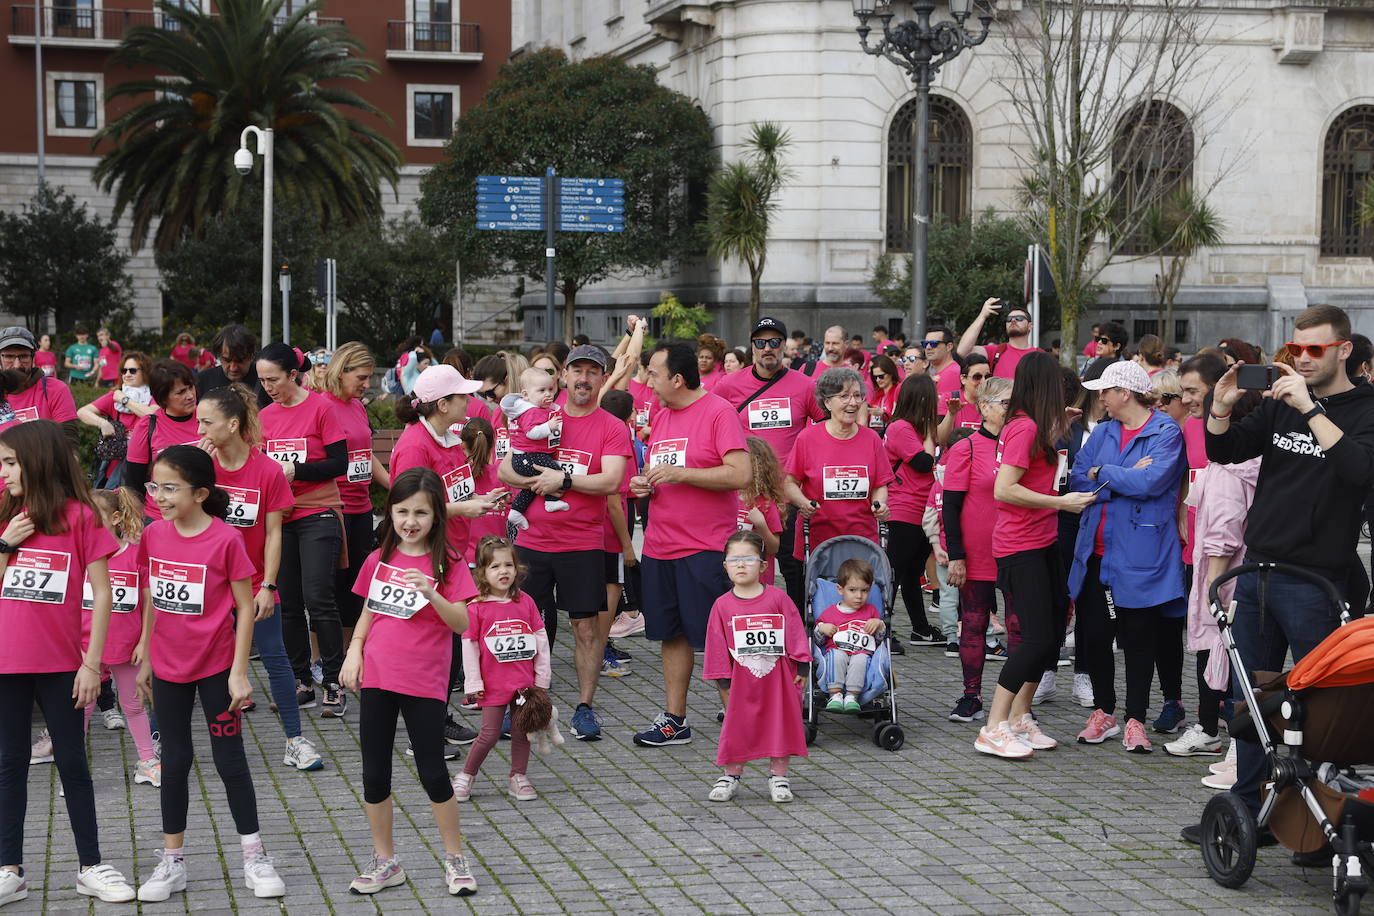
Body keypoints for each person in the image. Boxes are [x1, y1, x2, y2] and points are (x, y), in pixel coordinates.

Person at [1183, 304, 1374, 845]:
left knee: (1322, 705)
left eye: (1316, 349)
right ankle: (1247, 815)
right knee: (1251, 699)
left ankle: (1320, 822)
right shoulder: (1280, 402)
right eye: (1296, 349)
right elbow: (1225, 449)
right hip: (1258, 571)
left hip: (1316, 581)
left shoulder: (1361, 408)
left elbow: (1360, 470)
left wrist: (1311, 408)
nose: (1303, 359)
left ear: (1343, 351)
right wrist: (1217, 411)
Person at [133, 445, 286, 902]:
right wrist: (144, 651)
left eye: (169, 487)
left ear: (200, 493)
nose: (158, 496)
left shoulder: (225, 539)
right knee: (174, 762)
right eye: (154, 486)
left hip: (217, 668)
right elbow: (151, 595)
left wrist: (240, 672)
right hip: (168, 668)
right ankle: (172, 861)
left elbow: (244, 608)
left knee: (230, 761)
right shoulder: (154, 535)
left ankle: (254, 856)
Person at [0, 421, 137, 906]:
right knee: (9, 763)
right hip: (6, 662)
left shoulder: (81, 517)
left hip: (64, 664)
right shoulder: (5, 516)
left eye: (11, 463)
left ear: (37, 463)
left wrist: (92, 664)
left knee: (74, 764)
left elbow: (103, 593)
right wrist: (5, 544)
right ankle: (9, 870)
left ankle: (90, 866)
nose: (4, 472)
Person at [340, 468, 478, 897]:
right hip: (378, 675)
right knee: (374, 774)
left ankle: (455, 859)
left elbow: (462, 622)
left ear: (437, 514)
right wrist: (354, 650)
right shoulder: (377, 558)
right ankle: (385, 861)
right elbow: (367, 612)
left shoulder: (449, 563)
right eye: (402, 511)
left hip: (424, 680)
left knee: (433, 772)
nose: (410, 521)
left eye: (420, 512)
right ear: (390, 512)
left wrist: (433, 591)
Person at [498, 346, 632, 741]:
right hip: (531, 540)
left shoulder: (611, 426)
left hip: (583, 543)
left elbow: (611, 482)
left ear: (602, 378)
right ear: (562, 377)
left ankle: (585, 708)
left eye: (593, 372)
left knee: (586, 629)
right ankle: (519, 705)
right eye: (577, 371)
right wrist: (535, 482)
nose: (584, 379)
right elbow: (505, 467)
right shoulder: (535, 410)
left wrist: (565, 481)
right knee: (519, 624)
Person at [196, 385, 324, 772]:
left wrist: (269, 585)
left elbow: (273, 534)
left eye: (207, 421)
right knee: (194, 661)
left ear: (232, 424)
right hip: (208, 585)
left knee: (276, 660)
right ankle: (160, 737)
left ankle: (294, 740)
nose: (199, 429)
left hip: (252, 585)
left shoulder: (267, 471)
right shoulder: (201, 465)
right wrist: (193, 469)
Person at [629, 341, 750, 747]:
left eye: (654, 374)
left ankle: (740, 720)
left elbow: (740, 474)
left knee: (718, 638)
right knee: (671, 635)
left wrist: (682, 474)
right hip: (660, 545)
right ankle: (675, 719)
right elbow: (661, 471)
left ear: (677, 379)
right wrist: (644, 484)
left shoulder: (719, 412)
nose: (648, 381)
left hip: (705, 548)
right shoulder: (662, 416)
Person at [975, 352, 1094, 759]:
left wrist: (1064, 422)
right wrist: (1062, 503)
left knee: (1051, 635)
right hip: (1019, 546)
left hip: (1041, 543)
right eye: (1058, 385)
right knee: (1035, 639)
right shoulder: (1024, 428)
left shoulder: (1036, 427)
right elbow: (1004, 489)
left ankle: (1021, 717)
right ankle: (994, 725)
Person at [1068, 360, 1186, 754]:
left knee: (1139, 640)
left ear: (1124, 393)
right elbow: (1080, 476)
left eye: (1105, 390)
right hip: (1096, 552)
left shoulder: (1164, 430)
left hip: (1142, 554)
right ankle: (1104, 712)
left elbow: (1152, 482)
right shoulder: (1102, 430)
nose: (1099, 397)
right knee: (1096, 637)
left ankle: (1136, 718)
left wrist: (1107, 473)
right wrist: (1120, 474)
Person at [1165, 388, 1261, 763]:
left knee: (1229, 657)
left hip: (1224, 579)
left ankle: (1240, 751)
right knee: (1243, 659)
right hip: (1248, 573)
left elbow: (1222, 533)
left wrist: (1210, 589)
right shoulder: (1262, 462)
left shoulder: (1226, 471)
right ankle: (1232, 741)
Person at [712, 317, 827, 623]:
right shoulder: (728, 386)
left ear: (784, 347)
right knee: (739, 560)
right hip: (744, 491)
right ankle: (734, 621)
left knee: (791, 565)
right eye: (760, 343)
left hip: (787, 491)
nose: (767, 349)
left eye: (774, 342)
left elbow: (825, 429)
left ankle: (795, 625)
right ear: (752, 348)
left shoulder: (805, 386)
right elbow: (710, 425)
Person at [256, 344, 348, 718]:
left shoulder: (322, 407)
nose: (268, 387)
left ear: (293, 374)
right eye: (262, 380)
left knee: (318, 598)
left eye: (273, 379)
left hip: (318, 510)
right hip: (281, 517)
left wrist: (297, 469)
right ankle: (300, 681)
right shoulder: (263, 415)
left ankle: (333, 682)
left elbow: (339, 462)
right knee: (288, 602)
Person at [701, 530, 809, 803]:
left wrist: (803, 667)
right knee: (737, 727)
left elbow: (795, 631)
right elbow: (715, 643)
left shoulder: (777, 599)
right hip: (741, 680)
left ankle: (779, 776)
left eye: (748, 559)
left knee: (779, 723)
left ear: (763, 565)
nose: (740, 565)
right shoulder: (722, 605)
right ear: (724, 565)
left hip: (778, 679)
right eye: (734, 560)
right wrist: (722, 679)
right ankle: (730, 775)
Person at [454, 536, 551, 803]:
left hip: (523, 684)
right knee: (488, 734)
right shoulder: (475, 608)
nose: (503, 571)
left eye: (508, 564)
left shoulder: (526, 602)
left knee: (522, 732)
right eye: (495, 566)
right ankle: (466, 775)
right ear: (482, 572)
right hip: (492, 683)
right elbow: (469, 648)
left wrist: (541, 679)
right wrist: (473, 684)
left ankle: (518, 776)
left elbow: (540, 640)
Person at [944, 379, 1019, 722]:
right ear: (984, 407)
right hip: (976, 551)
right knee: (973, 624)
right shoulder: (967, 448)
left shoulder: (1022, 444)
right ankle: (970, 696)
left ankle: (1016, 701)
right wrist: (956, 555)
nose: (1011, 409)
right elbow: (950, 505)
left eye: (1015, 403)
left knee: (1018, 628)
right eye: (1005, 403)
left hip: (1016, 549)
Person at [82, 488, 159, 786]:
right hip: (86, 649)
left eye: (94, 517)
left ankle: (147, 761)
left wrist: (144, 642)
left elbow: (148, 602)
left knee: (135, 706)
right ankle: (74, 769)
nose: (87, 523)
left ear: (115, 518)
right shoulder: (81, 557)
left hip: (127, 648)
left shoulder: (136, 554)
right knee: (82, 708)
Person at [783, 367, 892, 563]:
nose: (853, 402)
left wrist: (881, 504)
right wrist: (802, 503)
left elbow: (879, 484)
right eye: (844, 396)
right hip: (818, 541)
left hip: (861, 540)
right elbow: (790, 482)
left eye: (857, 396)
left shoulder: (872, 439)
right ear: (827, 402)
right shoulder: (807, 438)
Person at [321, 343, 390, 649]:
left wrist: (393, 483)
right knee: (330, 588)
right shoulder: (321, 407)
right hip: (334, 508)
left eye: (369, 377)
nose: (366, 384)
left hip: (362, 509)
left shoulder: (358, 406)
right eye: (361, 377)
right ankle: (320, 657)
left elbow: (365, 453)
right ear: (341, 371)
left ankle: (351, 652)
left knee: (355, 588)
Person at [882, 374, 940, 646]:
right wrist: (930, 433)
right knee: (894, 572)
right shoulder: (901, 428)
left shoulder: (915, 428)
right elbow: (924, 462)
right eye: (933, 396)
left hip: (921, 508)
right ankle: (882, 628)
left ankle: (920, 628)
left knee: (911, 571)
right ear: (923, 399)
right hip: (903, 508)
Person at [124, 359, 202, 518]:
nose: (190, 396)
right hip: (159, 518)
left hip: (200, 516)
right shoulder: (148, 425)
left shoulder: (208, 417)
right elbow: (133, 482)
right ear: (163, 398)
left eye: (191, 387)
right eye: (181, 392)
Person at [500, 367, 571, 529]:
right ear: (525, 394)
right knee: (555, 470)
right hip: (527, 457)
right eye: (541, 390)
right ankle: (551, 502)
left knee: (532, 489)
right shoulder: (531, 411)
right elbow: (532, 433)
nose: (547, 394)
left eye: (550, 389)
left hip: (524, 457)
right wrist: (549, 426)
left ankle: (516, 512)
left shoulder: (535, 409)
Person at [814, 558, 886, 712]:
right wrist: (821, 628)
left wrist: (879, 625)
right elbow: (817, 641)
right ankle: (835, 695)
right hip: (837, 651)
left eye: (864, 590)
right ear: (841, 590)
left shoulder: (871, 611)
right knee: (836, 655)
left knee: (861, 659)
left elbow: (879, 641)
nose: (859, 596)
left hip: (861, 651)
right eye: (852, 590)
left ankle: (852, 696)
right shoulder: (831, 612)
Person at [77, 351, 157, 488]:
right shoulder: (114, 397)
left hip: (145, 469)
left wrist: (125, 400)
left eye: (132, 370)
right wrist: (102, 423)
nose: (127, 374)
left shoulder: (151, 397)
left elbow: (153, 416)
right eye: (123, 371)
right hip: (115, 470)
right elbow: (82, 412)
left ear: (145, 372)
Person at [0, 326, 79, 443]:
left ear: (33, 357)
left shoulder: (56, 389)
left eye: (24, 356)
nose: (17, 365)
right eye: (9, 357)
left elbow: (69, 441)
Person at [956, 299, 1039, 380]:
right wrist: (982, 315)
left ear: (1030, 326)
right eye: (1009, 319)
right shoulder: (997, 351)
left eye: (1019, 318)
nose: (1013, 320)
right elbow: (962, 351)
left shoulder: (1040, 355)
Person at [196, 324, 268, 408]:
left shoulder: (266, 380)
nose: (233, 368)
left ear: (252, 356)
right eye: (227, 360)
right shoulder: (202, 380)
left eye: (240, 361)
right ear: (218, 355)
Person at [922, 326, 963, 412]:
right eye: (925, 344)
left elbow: (942, 413)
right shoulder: (944, 372)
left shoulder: (952, 373)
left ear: (949, 347)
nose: (928, 347)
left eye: (934, 343)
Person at [867, 354, 901, 432]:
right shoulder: (877, 395)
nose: (878, 380)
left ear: (891, 373)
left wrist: (884, 414)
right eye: (875, 377)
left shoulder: (899, 391)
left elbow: (901, 418)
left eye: (881, 376)